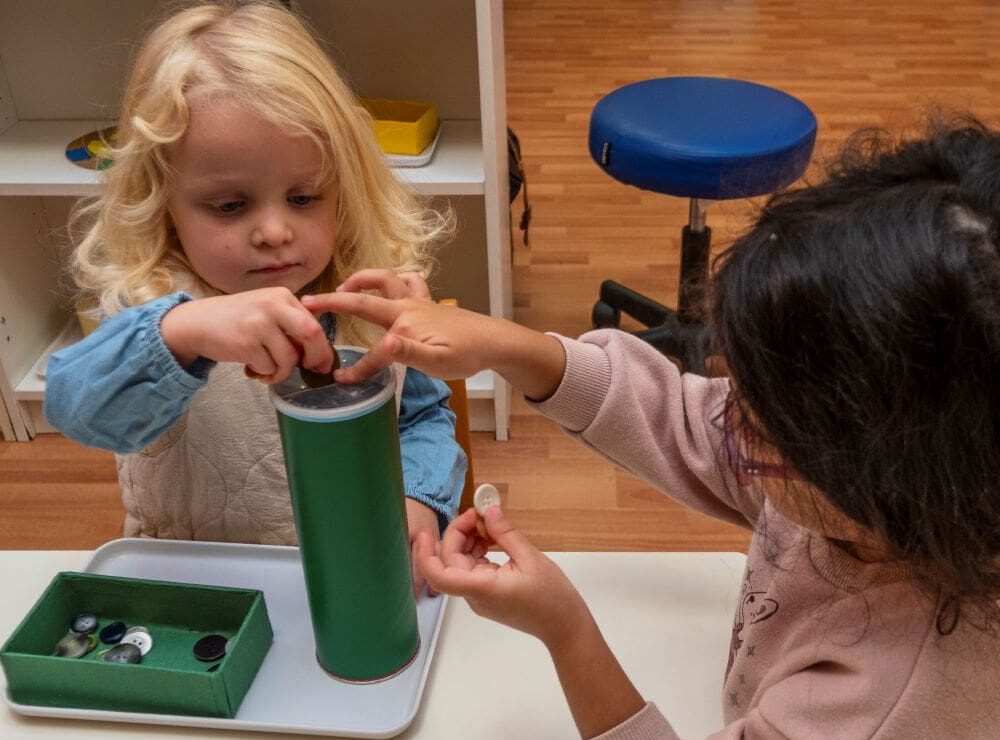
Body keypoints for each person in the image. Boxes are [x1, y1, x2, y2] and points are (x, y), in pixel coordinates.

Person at [302, 115, 1000, 738]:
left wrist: (567, 630)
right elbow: (684, 420)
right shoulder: (877, 488)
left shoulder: (891, 700)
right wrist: (501, 343)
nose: (726, 415)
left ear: (882, 477)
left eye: (758, 418)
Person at [44, 0, 466, 594]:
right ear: (162, 201)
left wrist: (419, 498)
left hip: (348, 586)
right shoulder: (153, 304)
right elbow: (74, 408)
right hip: (197, 598)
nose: (274, 232)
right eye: (229, 206)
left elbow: (422, 414)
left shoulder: (368, 297)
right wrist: (180, 334)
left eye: (303, 197)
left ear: (344, 188)